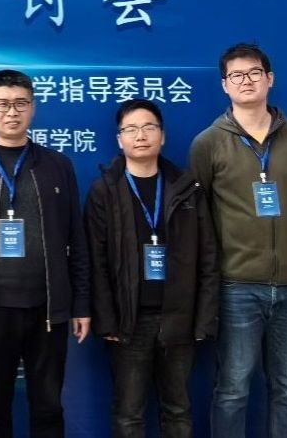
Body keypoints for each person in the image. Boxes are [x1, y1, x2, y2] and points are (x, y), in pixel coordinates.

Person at [187, 43, 287, 437]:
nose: (246, 81)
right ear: (224, 85)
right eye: (236, 75)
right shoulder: (207, 144)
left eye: (253, 73)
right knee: (232, 389)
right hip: (237, 287)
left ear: (269, 78)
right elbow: (197, 220)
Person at [0, 69, 91, 438]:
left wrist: (80, 304)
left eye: (20, 104)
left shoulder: (58, 165)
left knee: (48, 408)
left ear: (33, 108)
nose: (12, 112)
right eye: (2, 104)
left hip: (48, 309)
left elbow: (76, 237)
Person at [85, 99, 218, 438]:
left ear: (163, 135)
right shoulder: (104, 191)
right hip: (128, 322)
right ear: (119, 139)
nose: (140, 136)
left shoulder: (187, 188)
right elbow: (96, 261)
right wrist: (107, 319)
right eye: (131, 129)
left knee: (178, 410)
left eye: (148, 127)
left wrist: (203, 319)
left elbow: (208, 257)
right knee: (129, 414)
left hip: (179, 318)